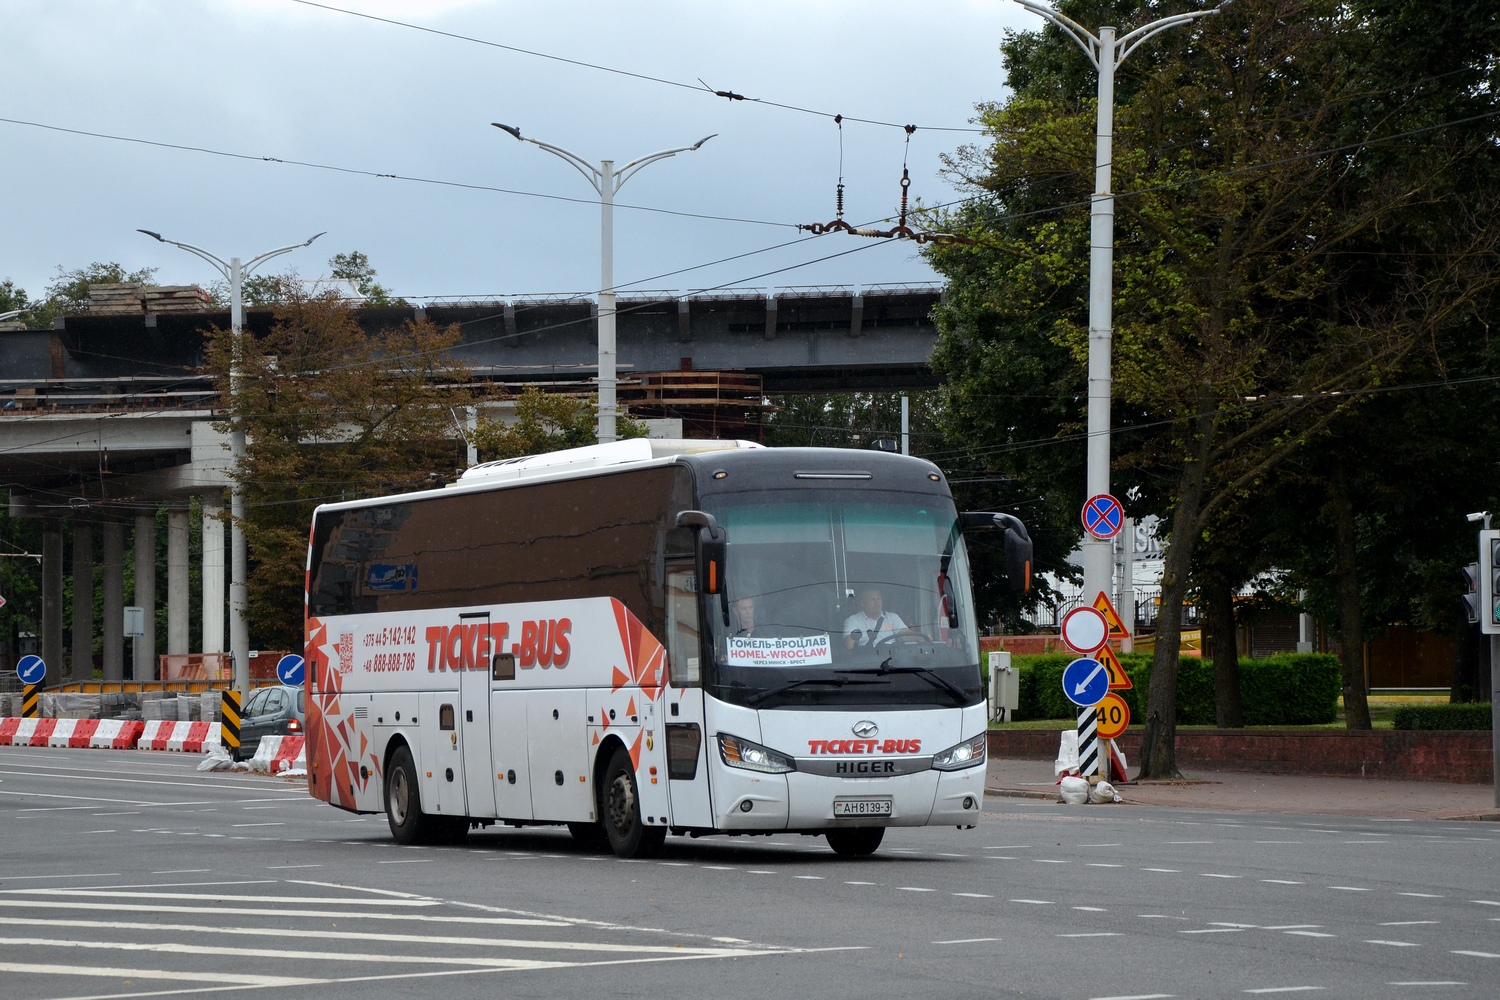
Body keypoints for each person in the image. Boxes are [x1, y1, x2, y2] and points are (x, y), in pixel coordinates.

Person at [843, 587, 909, 649]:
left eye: (878, 598)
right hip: (867, 659)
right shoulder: (853, 621)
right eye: (872, 599)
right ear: (862, 603)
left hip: (891, 659)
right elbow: (849, 646)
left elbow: (905, 635)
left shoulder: (892, 618)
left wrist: (918, 639)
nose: (877, 602)